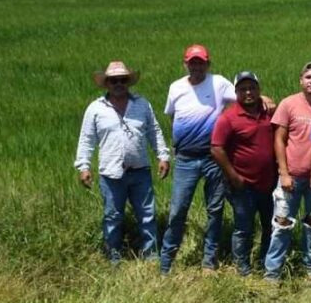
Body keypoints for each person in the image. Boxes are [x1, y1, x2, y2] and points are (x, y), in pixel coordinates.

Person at [74, 61, 170, 264]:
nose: (118, 83)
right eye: (113, 80)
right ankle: (113, 256)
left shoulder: (142, 104)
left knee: (147, 215)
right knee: (112, 217)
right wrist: (84, 166)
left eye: (123, 80)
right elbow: (86, 139)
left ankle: (151, 255)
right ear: (106, 83)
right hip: (111, 174)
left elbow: (154, 131)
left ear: (128, 82)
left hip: (140, 170)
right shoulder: (96, 109)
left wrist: (163, 155)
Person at [159, 44, 237, 274]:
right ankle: (166, 263)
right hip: (185, 159)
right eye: (192, 62)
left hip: (213, 157)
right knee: (178, 210)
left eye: (200, 62)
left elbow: (243, 96)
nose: (196, 66)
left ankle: (209, 261)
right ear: (185, 64)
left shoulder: (219, 83)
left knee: (215, 210)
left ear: (208, 64)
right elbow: (173, 117)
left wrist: (265, 100)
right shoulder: (176, 87)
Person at [264, 62, 311, 282]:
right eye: (308, 77)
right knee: (282, 225)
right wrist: (284, 173)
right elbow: (279, 140)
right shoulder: (289, 104)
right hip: (290, 178)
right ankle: (273, 272)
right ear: (301, 80)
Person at [211, 71, 277, 276]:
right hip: (242, 184)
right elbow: (216, 148)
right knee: (243, 228)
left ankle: (265, 262)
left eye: (252, 88)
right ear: (236, 91)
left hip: (269, 183)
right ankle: (243, 269)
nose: (248, 92)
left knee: (271, 226)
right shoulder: (228, 117)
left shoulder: (268, 112)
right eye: (243, 89)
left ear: (259, 89)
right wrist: (233, 176)